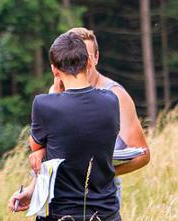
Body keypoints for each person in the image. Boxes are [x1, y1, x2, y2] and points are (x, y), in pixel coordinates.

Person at [10, 33, 123, 221]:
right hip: (106, 218)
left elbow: (36, 146)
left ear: (54, 69)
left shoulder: (45, 104)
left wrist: (54, 92)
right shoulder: (110, 101)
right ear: (89, 63)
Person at [30, 27, 150, 201]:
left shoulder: (115, 95)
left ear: (95, 58)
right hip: (62, 193)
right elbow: (44, 145)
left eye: (85, 56)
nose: (78, 62)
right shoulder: (55, 92)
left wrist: (99, 173)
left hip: (103, 193)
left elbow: (143, 155)